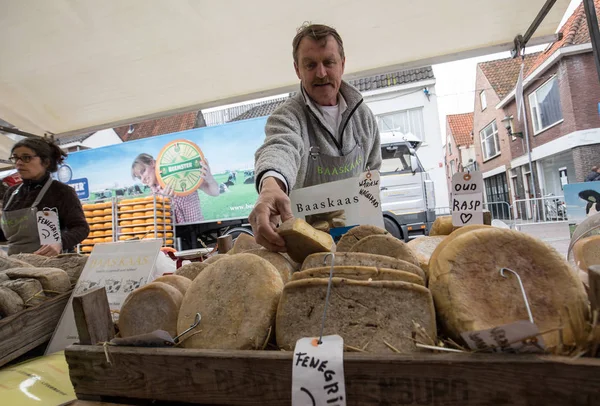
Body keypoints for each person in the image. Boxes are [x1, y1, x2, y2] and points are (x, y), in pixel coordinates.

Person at [250, 23, 382, 252]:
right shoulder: (289, 116)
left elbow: (372, 176)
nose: (321, 73)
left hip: (356, 244)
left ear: (342, 63)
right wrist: (271, 185)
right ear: (297, 70)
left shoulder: (364, 117)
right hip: (304, 251)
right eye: (310, 65)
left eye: (328, 62)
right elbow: (281, 146)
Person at [1, 137, 90, 256]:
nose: (19, 163)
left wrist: (60, 243)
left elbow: (81, 228)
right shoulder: (11, 194)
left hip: (51, 264)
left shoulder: (61, 191)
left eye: (26, 157)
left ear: (46, 162)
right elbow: (7, 236)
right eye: (15, 158)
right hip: (16, 264)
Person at [131, 153, 219, 224]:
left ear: (152, 163)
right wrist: (163, 204)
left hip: (198, 233)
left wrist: (209, 179)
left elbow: (215, 192)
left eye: (143, 171)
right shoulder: (152, 198)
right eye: (139, 177)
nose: (143, 179)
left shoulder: (181, 175)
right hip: (176, 241)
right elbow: (158, 227)